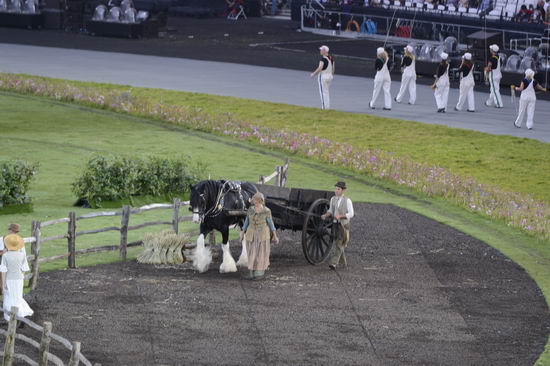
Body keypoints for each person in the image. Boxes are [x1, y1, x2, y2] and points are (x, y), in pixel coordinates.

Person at [242, 192, 279, 280]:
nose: (252, 200)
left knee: (261, 253)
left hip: (262, 235)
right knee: (252, 253)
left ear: (259, 200)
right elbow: (246, 222)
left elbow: (271, 224)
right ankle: (252, 272)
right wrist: (242, 232)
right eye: (253, 199)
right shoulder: (250, 210)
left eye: (254, 199)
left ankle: (259, 272)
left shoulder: (266, 211)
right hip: (251, 235)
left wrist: (275, 236)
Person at [321, 181, 354, 270]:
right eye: (336, 189)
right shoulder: (333, 199)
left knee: (339, 242)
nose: (336, 190)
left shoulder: (347, 201)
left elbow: (351, 214)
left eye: (338, 189)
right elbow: (331, 210)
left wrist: (341, 216)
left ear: (343, 190)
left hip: (343, 225)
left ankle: (334, 263)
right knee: (338, 242)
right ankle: (343, 263)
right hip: (335, 224)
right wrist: (325, 215)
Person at [1, 234, 33, 322]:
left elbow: (3, 271)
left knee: (9, 296)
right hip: (19, 279)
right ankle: (19, 313)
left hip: (9, 279)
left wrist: (3, 284)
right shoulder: (22, 255)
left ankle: (9, 316)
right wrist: (21, 275)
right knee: (18, 295)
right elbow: (24, 269)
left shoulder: (5, 256)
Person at [311, 45, 335, 110]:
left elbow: (320, 68)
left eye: (321, 50)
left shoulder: (323, 59)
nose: (320, 51)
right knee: (326, 92)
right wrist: (331, 75)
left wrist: (313, 74)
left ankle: (324, 108)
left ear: (325, 51)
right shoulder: (331, 58)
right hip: (330, 76)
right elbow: (333, 69)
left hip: (323, 76)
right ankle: (327, 107)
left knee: (323, 92)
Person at [485, 44, 503, 109]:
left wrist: (486, 70)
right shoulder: (499, 57)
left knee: (495, 90)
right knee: (493, 89)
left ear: (492, 50)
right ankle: (489, 102)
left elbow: (489, 67)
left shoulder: (492, 58)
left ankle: (499, 103)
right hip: (498, 75)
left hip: (493, 75)